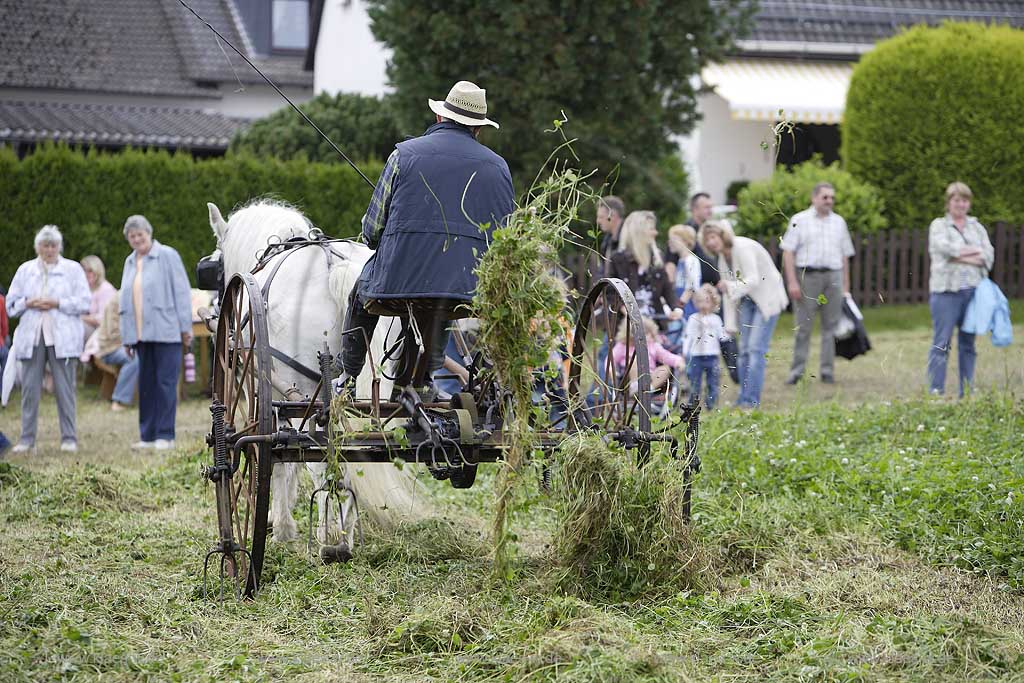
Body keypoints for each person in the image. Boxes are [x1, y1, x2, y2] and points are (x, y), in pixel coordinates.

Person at [334, 80, 514, 397]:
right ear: (478, 129)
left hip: (397, 280)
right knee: (442, 301)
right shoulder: (499, 167)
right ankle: (424, 379)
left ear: (440, 118)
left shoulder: (403, 155)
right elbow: (505, 238)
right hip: (470, 286)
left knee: (362, 293)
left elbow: (373, 230)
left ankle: (348, 377)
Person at [6, 225, 91, 453]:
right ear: (38, 247)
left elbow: (85, 302)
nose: (49, 249)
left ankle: (69, 438)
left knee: (65, 388)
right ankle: (27, 439)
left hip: (62, 337)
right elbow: (11, 305)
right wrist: (29, 303)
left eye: (53, 245)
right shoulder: (25, 270)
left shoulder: (72, 270)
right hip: (32, 336)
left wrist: (57, 303)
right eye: (45, 245)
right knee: (29, 389)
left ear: (59, 247)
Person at [118, 215, 193, 450]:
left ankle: (165, 435)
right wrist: (127, 337)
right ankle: (147, 436)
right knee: (147, 385)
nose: (137, 239)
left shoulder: (168, 256)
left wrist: (185, 328)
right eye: (132, 236)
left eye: (140, 234)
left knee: (165, 383)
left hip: (167, 332)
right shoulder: (130, 262)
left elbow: (182, 293)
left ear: (149, 234)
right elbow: (125, 303)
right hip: (140, 335)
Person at [701, 220, 787, 408]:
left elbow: (753, 279)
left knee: (756, 350)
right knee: (745, 352)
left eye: (713, 237)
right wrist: (730, 324)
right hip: (747, 301)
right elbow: (728, 295)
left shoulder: (743, 247)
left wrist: (729, 286)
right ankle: (743, 398)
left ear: (722, 235)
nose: (711, 242)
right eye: (707, 240)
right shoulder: (723, 257)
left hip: (767, 299)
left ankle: (751, 401)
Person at [781, 182, 855, 385]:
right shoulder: (800, 220)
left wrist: (845, 286)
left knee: (830, 327)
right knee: (803, 327)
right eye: (825, 197)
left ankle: (827, 371)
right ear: (814, 198)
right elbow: (788, 251)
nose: (829, 201)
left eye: (832, 197)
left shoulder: (839, 222)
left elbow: (845, 255)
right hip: (808, 277)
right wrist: (792, 282)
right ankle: (797, 371)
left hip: (833, 277)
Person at [926, 181, 994, 397]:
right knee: (941, 342)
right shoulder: (938, 226)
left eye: (964, 200)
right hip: (946, 292)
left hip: (972, 292)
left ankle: (967, 390)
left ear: (969, 203)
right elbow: (944, 250)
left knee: (968, 344)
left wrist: (961, 255)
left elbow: (988, 256)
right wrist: (974, 253)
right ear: (949, 203)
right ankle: (936, 390)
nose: (961, 204)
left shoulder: (977, 227)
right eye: (956, 200)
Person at [606, 210, 682, 327]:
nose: (655, 233)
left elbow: (667, 289)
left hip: (654, 325)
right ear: (639, 232)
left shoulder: (656, 259)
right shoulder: (618, 259)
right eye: (651, 229)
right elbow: (610, 293)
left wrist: (676, 308)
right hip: (624, 328)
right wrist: (623, 308)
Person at [682, 284, 728, 410]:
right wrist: (685, 352)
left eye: (706, 301)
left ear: (713, 302)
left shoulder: (716, 319)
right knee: (695, 382)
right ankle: (693, 406)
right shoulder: (693, 318)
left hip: (712, 355)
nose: (703, 304)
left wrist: (728, 334)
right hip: (696, 355)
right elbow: (689, 336)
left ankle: (711, 406)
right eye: (700, 301)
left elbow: (722, 336)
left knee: (713, 382)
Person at [611, 316, 684, 395]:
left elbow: (666, 356)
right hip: (628, 378)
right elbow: (611, 359)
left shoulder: (652, 346)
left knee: (665, 369)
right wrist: (612, 371)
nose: (648, 336)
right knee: (635, 360)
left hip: (650, 376)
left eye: (649, 333)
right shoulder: (622, 346)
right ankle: (635, 388)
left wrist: (678, 361)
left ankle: (648, 391)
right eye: (645, 334)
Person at [95, 296, 139, 411]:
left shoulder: (139, 300)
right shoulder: (115, 302)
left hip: (129, 345)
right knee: (133, 359)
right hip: (110, 348)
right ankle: (119, 400)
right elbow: (113, 333)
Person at [684, 192, 720, 287]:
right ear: (695, 210)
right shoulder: (685, 232)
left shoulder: (712, 229)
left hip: (718, 288)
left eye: (711, 207)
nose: (710, 211)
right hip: (698, 291)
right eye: (706, 207)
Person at [80, 255, 117, 341]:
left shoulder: (105, 289)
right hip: (92, 330)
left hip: (104, 332)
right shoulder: (85, 289)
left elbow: (102, 319)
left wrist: (80, 318)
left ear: (97, 271)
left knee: (78, 326)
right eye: (83, 271)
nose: (85, 274)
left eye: (90, 271)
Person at [596, 195, 626, 268]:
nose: (598, 221)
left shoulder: (629, 238)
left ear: (612, 215)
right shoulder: (607, 241)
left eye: (601, 217)